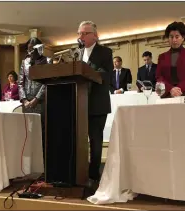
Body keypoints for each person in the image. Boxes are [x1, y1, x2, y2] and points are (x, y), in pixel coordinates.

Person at [78, 20, 112, 186]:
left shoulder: (105, 52)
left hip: (97, 104)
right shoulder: (77, 53)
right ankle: (79, 172)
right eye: (79, 33)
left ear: (95, 36)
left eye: (84, 33)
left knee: (95, 141)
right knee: (79, 140)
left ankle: (93, 176)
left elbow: (106, 76)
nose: (81, 36)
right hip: (80, 104)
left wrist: (85, 69)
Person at [18, 37, 48, 163]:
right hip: (27, 102)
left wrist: (36, 99)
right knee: (28, 132)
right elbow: (20, 82)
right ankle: (29, 163)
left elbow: (46, 83)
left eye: (33, 48)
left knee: (41, 131)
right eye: (29, 48)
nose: (30, 51)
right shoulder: (24, 62)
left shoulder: (47, 60)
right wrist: (24, 99)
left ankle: (43, 162)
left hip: (40, 101)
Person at [156, 21, 185, 99]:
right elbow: (159, 77)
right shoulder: (162, 57)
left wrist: (179, 88)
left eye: (177, 36)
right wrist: (171, 89)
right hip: (168, 94)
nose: (174, 40)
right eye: (171, 37)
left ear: (183, 38)